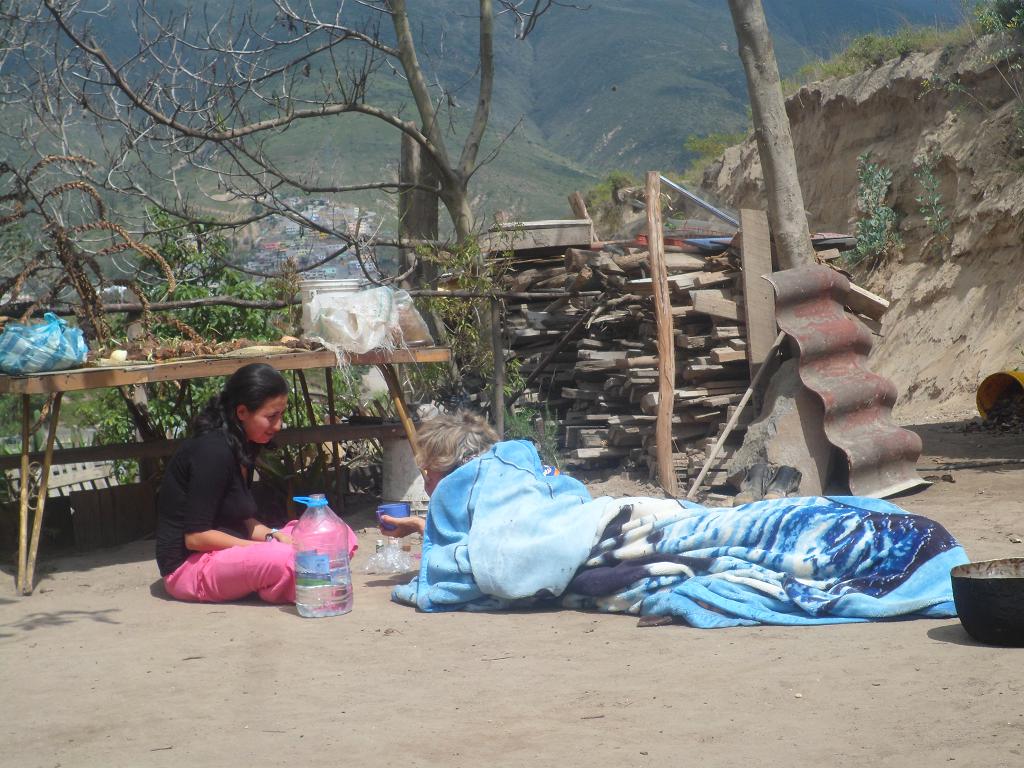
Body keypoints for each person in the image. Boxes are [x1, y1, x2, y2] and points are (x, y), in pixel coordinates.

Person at [156, 363, 345, 604]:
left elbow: (245, 521)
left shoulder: (243, 445)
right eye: (271, 417)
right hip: (189, 568)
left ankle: (278, 579)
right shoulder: (212, 451)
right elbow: (196, 538)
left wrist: (274, 536)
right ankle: (282, 581)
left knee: (335, 534)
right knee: (285, 558)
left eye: (281, 415)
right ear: (242, 412)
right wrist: (263, 549)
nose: (278, 425)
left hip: (229, 553)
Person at [378, 410, 499, 538]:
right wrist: (420, 525)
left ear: (452, 465)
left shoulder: (486, 505)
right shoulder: (487, 485)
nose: (424, 466)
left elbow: (463, 547)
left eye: (431, 460)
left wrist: (420, 525)